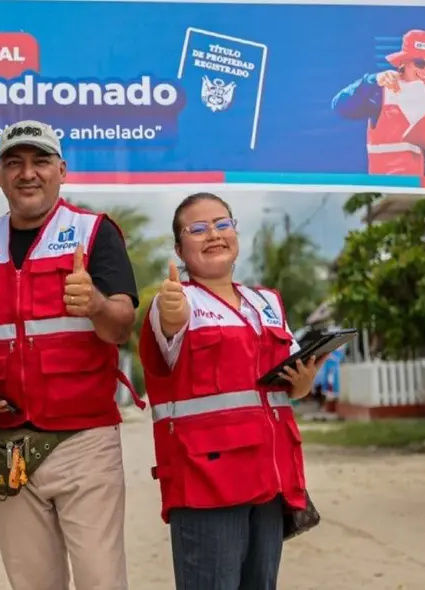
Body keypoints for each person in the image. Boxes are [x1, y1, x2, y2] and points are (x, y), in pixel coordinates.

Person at [0, 119, 142, 590]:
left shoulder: (95, 233)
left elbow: (122, 325)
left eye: (40, 161)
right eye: (14, 163)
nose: (27, 173)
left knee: (101, 581)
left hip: (84, 441)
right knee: (31, 583)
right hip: (2, 443)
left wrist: (94, 303)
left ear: (62, 170)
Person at [138, 192, 323, 590]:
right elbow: (169, 327)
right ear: (179, 248)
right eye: (197, 229)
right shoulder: (177, 300)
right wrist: (170, 312)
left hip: (271, 479)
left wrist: (303, 385)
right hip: (207, 484)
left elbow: (287, 384)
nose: (213, 235)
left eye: (222, 224)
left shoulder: (267, 302)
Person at [332, 29, 425, 178]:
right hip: (399, 189)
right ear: (403, 62)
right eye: (420, 63)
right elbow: (341, 106)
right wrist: (373, 80)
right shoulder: (381, 93)